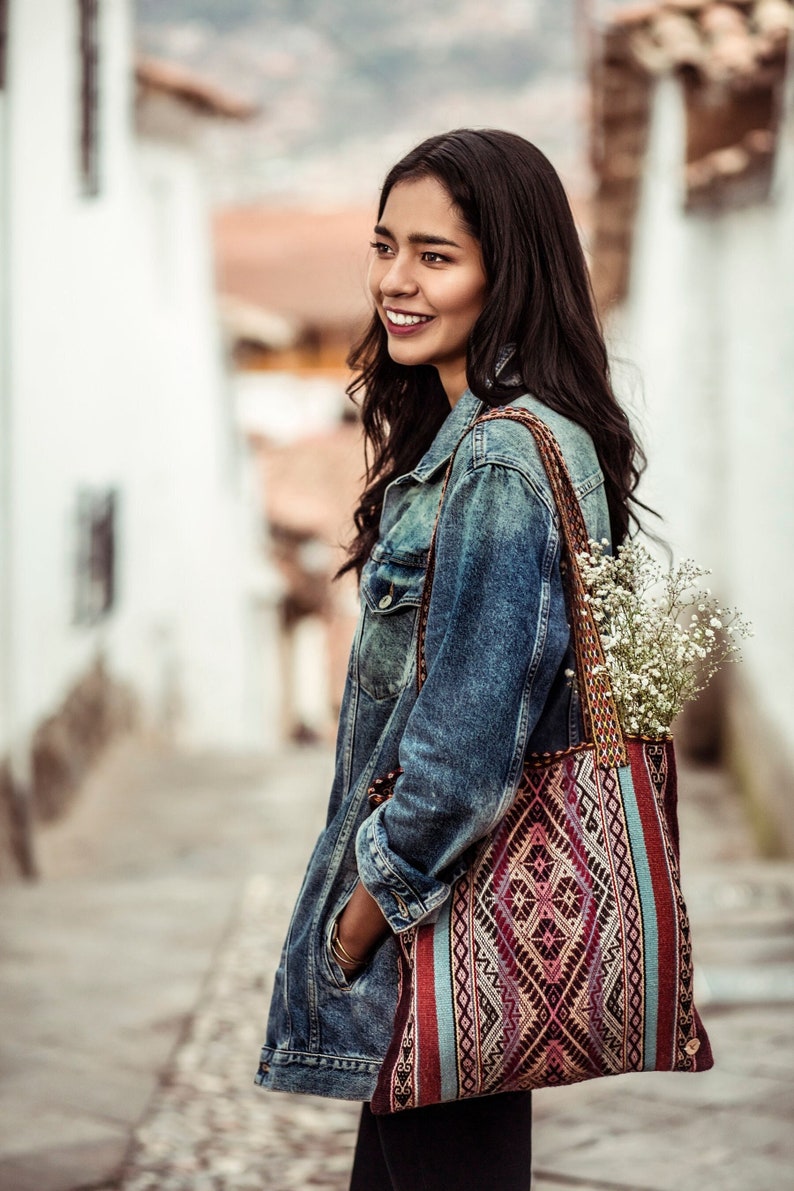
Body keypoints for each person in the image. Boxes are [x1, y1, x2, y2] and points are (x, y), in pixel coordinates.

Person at [255, 128, 646, 1191]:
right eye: (385, 246)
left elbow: (464, 754)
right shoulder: (516, 438)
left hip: (436, 922)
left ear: (504, 272)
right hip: (461, 927)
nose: (394, 280)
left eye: (435, 256)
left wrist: (355, 925)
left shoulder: (500, 462)